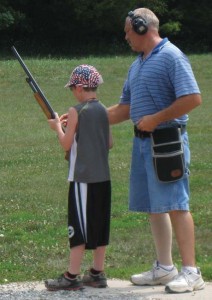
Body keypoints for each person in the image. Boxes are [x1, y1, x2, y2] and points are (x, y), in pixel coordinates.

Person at [106, 7, 205, 294]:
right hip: (143, 143)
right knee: (155, 206)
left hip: (167, 142)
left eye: (127, 30)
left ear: (141, 27)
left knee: (176, 203)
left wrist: (156, 118)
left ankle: (191, 271)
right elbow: (125, 109)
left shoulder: (172, 56)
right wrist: (86, 116)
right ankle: (164, 268)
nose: (125, 37)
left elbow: (193, 98)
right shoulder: (137, 64)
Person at [45, 64, 113, 291]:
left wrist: (57, 127)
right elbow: (109, 143)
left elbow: (65, 143)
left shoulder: (76, 111)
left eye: (73, 87)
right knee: (99, 225)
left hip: (82, 179)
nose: (72, 91)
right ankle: (97, 273)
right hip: (103, 178)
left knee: (79, 227)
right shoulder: (103, 109)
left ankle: (71, 276)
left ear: (81, 87)